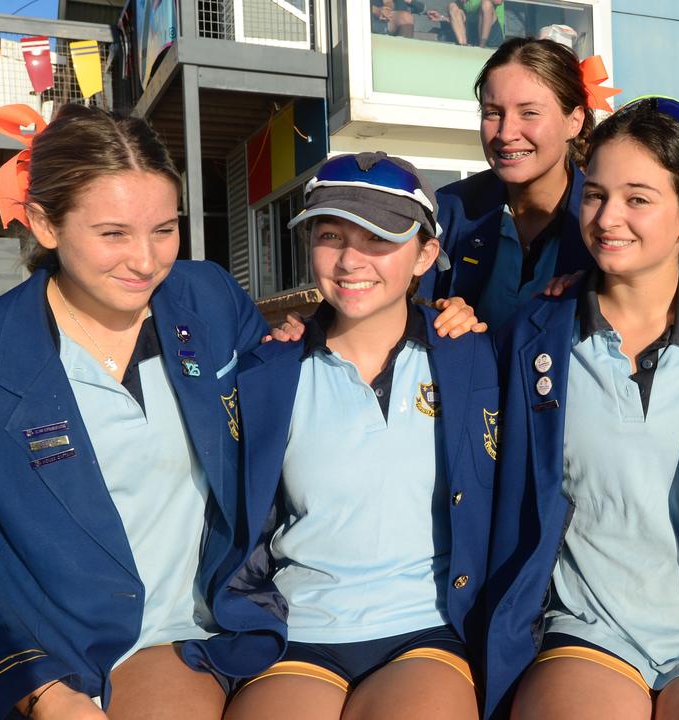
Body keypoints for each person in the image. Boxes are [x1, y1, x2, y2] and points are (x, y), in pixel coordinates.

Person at [0, 103, 284, 720]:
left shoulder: (208, 298)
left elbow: (288, 395)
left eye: (164, 229)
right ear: (45, 224)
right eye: (113, 234)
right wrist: (41, 689)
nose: (146, 261)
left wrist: (429, 327)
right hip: (70, 653)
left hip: (220, 623)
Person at [484, 96, 679, 720]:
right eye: (594, 195)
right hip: (589, 630)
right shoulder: (533, 334)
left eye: (638, 198)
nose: (608, 218)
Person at [219, 152, 496, 720]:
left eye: (379, 239)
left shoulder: (477, 361)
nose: (350, 260)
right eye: (330, 235)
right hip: (298, 630)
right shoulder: (268, 371)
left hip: (426, 629)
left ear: (426, 255)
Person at [423, 37, 598, 329]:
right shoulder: (451, 210)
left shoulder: (604, 221)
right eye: (493, 113)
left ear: (574, 121)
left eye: (529, 112)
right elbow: (407, 310)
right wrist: (435, 313)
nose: (506, 133)